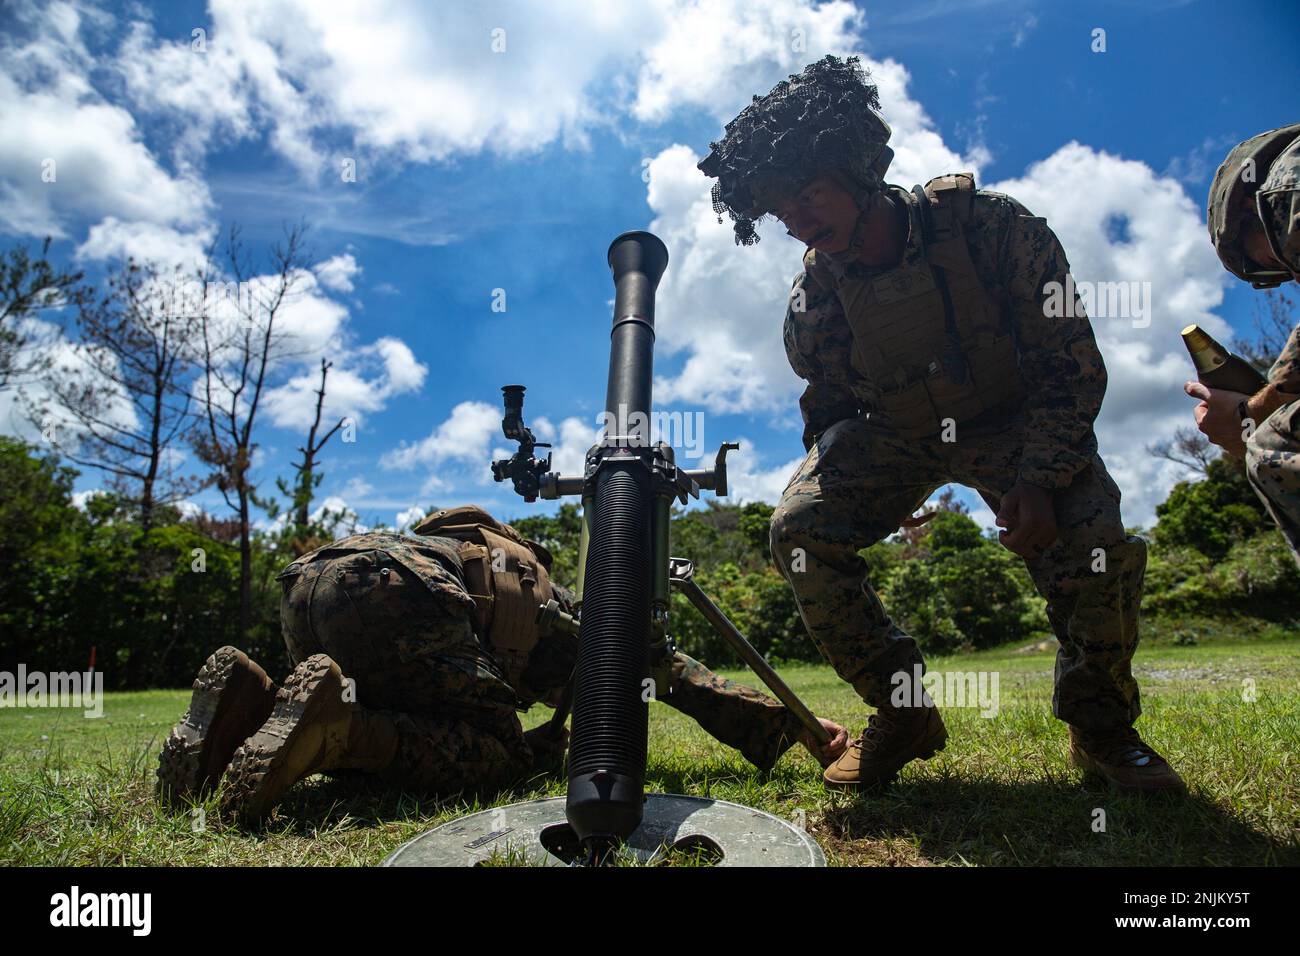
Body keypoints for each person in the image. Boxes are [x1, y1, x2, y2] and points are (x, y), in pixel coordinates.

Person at [697, 55, 1183, 794]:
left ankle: (1102, 730)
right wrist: (857, 485)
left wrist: (1040, 479)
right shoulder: (815, 298)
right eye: (779, 210)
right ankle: (904, 712)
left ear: (857, 168)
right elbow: (827, 404)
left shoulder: (994, 232)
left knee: (1093, 541)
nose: (796, 219)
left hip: (1013, 421)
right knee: (799, 531)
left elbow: (1068, 363)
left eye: (808, 194)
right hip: (894, 437)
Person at [158, 507, 846, 822]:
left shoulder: (478, 559)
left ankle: (251, 701)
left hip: (316, 577)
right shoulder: (576, 614)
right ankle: (339, 731)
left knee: (400, 695)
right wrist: (791, 722)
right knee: (495, 753)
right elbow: (670, 669)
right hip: (407, 593)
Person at [1192, 124, 1300, 562]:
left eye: (1265, 265)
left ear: (1244, 217)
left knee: (1277, 445)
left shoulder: (1284, 194)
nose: (1289, 275)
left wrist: (1251, 421)